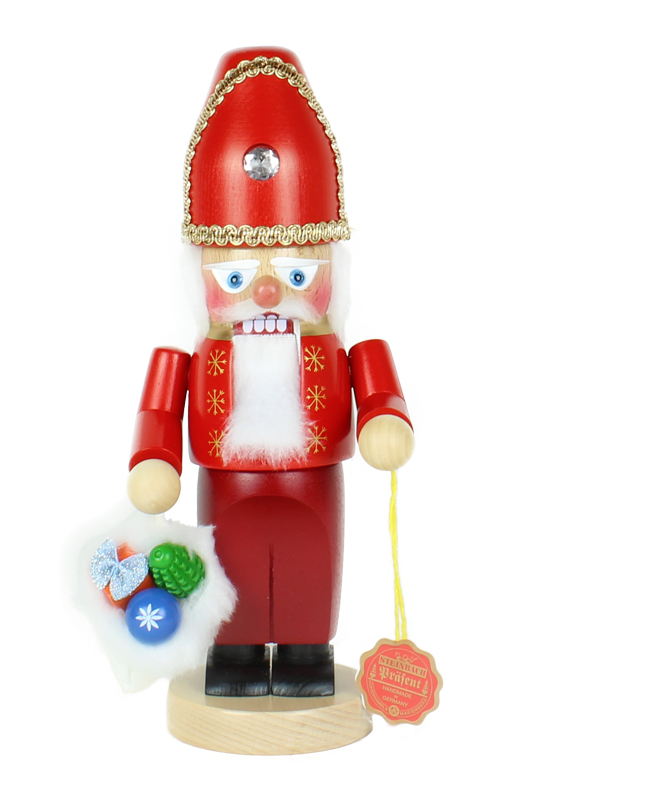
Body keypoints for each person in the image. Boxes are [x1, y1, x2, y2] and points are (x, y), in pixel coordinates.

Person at [126, 47, 414, 697]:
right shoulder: (191, 355)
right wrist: (154, 460)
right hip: (225, 489)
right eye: (235, 277)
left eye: (296, 274)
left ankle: (309, 655)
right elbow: (158, 413)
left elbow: (381, 394)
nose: (264, 293)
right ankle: (235, 655)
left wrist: (385, 419)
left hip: (317, 485)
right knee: (231, 567)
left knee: (314, 561)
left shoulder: (345, 346)